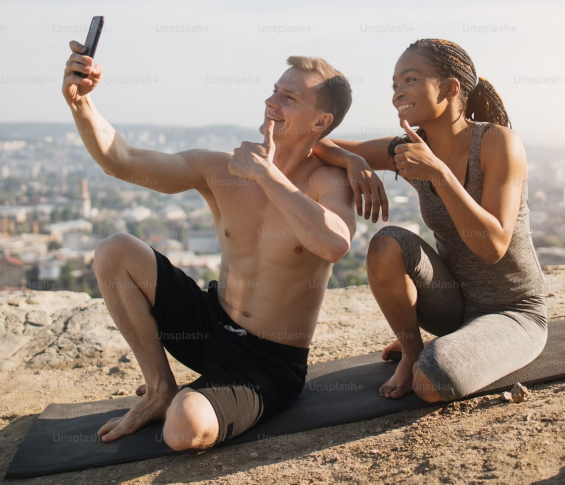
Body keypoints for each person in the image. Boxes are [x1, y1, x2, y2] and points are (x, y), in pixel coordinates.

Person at [62, 41, 356, 450]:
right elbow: (123, 160)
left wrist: (267, 176)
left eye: (289, 98)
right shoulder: (223, 169)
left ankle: (189, 402)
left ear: (320, 121)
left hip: (267, 360)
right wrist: (81, 105)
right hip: (208, 325)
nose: (271, 102)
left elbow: (333, 244)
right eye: (274, 90)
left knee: (184, 431)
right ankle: (160, 388)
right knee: (115, 249)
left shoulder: (329, 181)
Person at [313, 38, 548, 403]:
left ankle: (439, 354)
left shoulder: (498, 142)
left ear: (451, 88)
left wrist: (439, 173)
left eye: (410, 80)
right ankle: (411, 351)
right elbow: (316, 143)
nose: (397, 93)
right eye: (394, 84)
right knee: (386, 241)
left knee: (431, 383)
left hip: (513, 310)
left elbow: (493, 247)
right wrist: (352, 161)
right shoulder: (407, 149)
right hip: (451, 306)